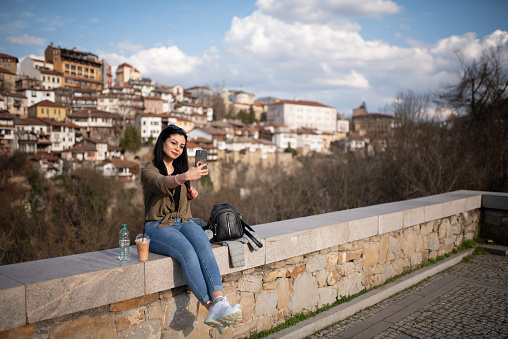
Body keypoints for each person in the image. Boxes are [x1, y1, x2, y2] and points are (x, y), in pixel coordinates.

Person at [141, 125, 242, 332]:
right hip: (157, 226)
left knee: (204, 246)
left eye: (181, 145)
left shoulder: (181, 170)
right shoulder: (149, 170)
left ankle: (220, 301)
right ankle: (210, 308)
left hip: (183, 221)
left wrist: (188, 195)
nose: (177, 148)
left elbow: (178, 197)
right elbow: (161, 183)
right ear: (162, 142)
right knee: (187, 252)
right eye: (173, 143)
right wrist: (185, 177)